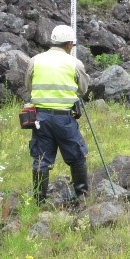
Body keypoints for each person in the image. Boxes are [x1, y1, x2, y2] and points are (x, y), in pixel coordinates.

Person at [24, 25, 91, 206]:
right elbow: (83, 89)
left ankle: (39, 200)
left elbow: (29, 86)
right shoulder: (74, 63)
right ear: (70, 44)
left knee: (41, 158)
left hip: (40, 118)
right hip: (65, 118)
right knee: (77, 155)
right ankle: (82, 196)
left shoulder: (35, 60)